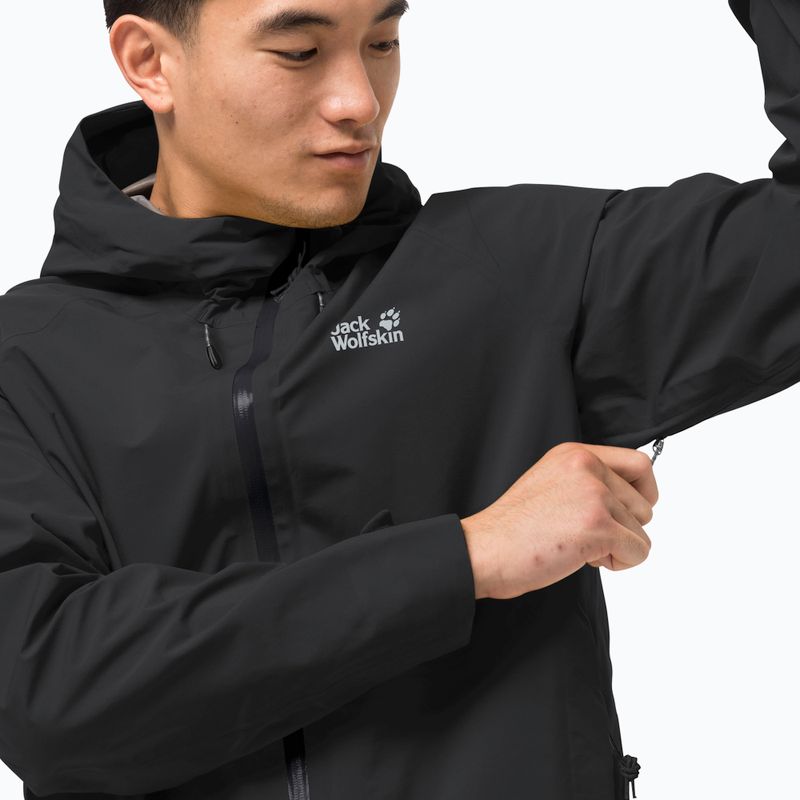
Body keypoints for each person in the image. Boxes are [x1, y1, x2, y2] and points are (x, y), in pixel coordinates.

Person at [0, 0, 796, 798]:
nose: (360, 101)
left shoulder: (510, 274)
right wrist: (466, 558)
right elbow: (47, 696)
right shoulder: (27, 362)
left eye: (382, 42)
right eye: (301, 52)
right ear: (149, 62)